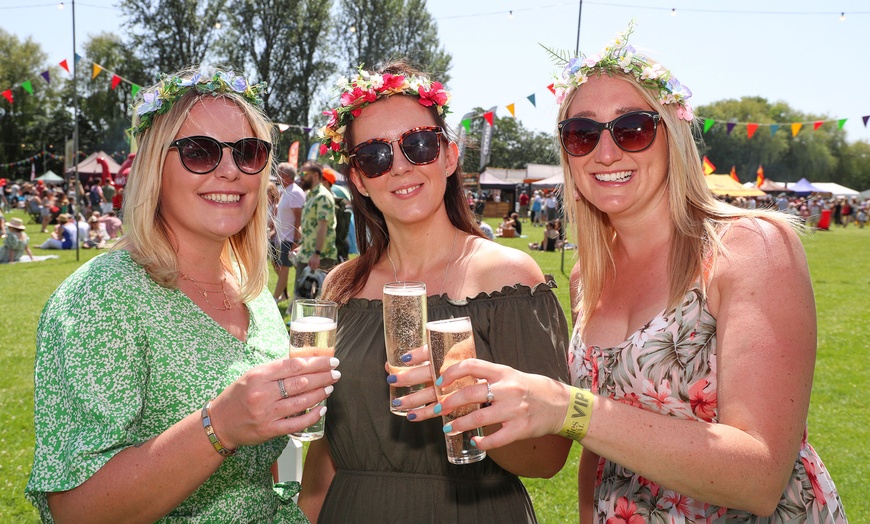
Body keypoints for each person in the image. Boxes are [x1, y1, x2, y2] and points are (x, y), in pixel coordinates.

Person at [411, 23, 847, 523]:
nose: (607, 151)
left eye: (632, 128)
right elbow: (599, 453)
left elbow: (759, 476)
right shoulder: (587, 279)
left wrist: (565, 407)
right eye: (582, 134)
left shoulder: (751, 248)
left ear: (672, 136)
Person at [26, 67, 340, 523]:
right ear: (155, 166)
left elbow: (268, 467)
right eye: (199, 152)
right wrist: (220, 427)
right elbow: (76, 510)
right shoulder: (101, 298)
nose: (230, 171)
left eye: (249, 152)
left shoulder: (253, 293)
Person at [298, 61, 571, 523]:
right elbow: (324, 453)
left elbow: (548, 459)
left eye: (418, 144)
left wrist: (470, 401)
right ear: (359, 179)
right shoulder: (341, 286)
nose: (400, 166)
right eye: (374, 156)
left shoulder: (508, 277)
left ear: (448, 156)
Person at [294, 161, 336, 298]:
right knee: (302, 296)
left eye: (304, 174)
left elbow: (322, 227)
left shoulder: (322, 197)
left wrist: (317, 253)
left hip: (320, 257)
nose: (301, 177)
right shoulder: (311, 195)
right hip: (307, 253)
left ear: (316, 175)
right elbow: (311, 227)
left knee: (318, 300)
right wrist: (302, 246)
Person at [272, 162, 305, 302]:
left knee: (284, 267)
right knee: (277, 265)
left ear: (286, 176)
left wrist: (296, 241)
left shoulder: (295, 192)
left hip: (290, 238)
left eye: (279, 172)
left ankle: (275, 299)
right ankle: (284, 294)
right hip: (282, 237)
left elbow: (299, 218)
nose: (276, 176)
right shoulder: (286, 190)